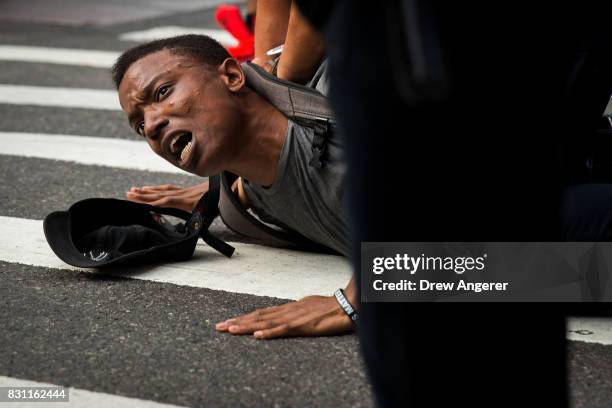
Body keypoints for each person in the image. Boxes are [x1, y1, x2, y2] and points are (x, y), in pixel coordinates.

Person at [112, 34, 355, 340]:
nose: (152, 125)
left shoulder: (347, 87)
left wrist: (351, 302)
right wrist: (225, 196)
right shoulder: (252, 196)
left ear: (231, 76)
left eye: (162, 92)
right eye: (140, 126)